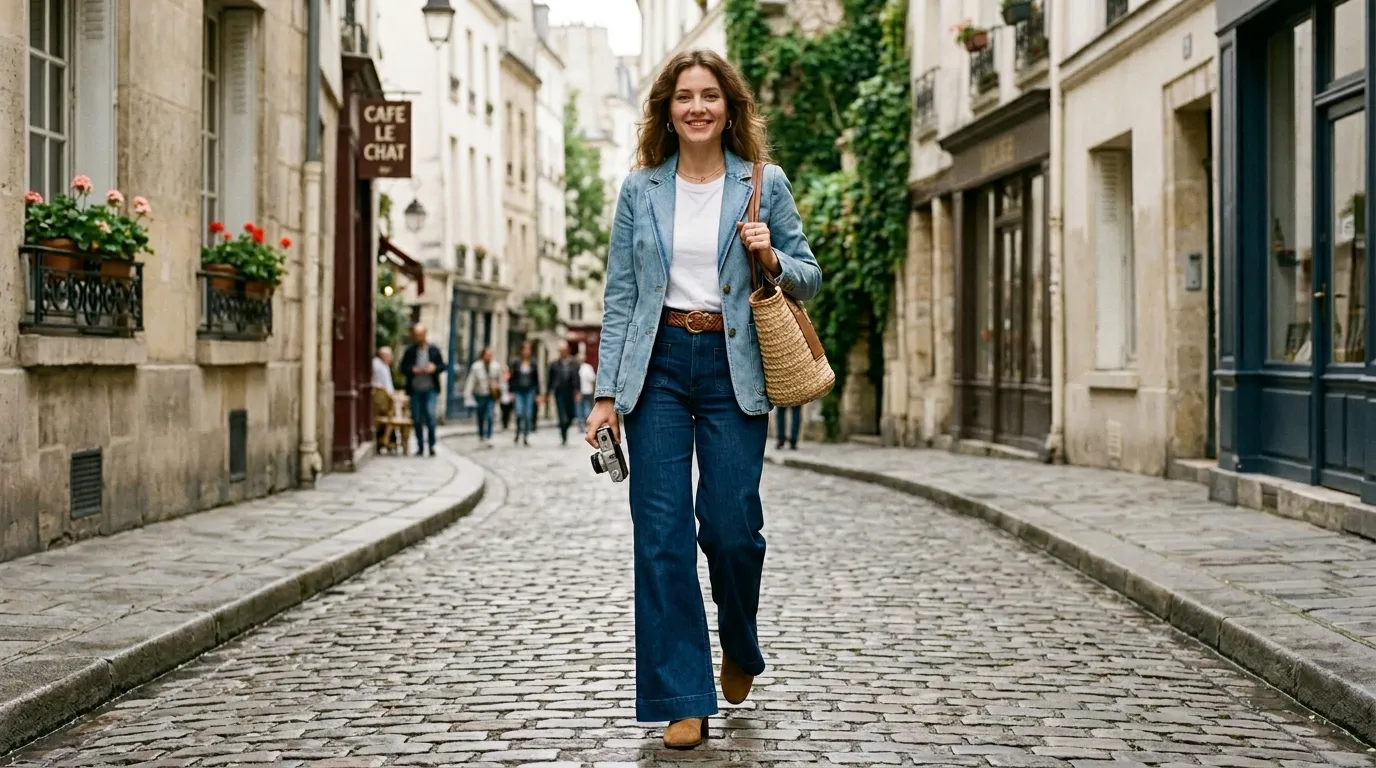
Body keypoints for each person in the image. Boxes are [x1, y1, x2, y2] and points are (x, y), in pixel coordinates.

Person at [583, 49, 821, 749]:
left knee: (729, 529)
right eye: (683, 96)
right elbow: (622, 297)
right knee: (660, 540)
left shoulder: (762, 183)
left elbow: (807, 277)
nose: (696, 107)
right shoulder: (640, 190)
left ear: (729, 107)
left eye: (709, 95)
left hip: (732, 363)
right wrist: (605, 396)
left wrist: (771, 255)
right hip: (655, 368)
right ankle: (684, 697)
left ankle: (740, 644)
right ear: (666, 108)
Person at [399, 324, 444, 457]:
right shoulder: (410, 351)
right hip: (415, 389)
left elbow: (442, 366)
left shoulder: (434, 350)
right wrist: (412, 370)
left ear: (425, 334)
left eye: (420, 335)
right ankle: (420, 446)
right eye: (416, 335)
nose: (418, 338)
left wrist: (434, 368)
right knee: (417, 418)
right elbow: (402, 368)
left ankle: (431, 445)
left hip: (430, 388)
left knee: (430, 415)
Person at [463, 347, 503, 447]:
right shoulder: (476, 367)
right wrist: (467, 394)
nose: (489, 357)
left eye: (490, 355)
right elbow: (471, 381)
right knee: (480, 415)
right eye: (487, 355)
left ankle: (489, 436)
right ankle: (481, 436)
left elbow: (500, 380)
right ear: (483, 355)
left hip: (491, 395)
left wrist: (500, 390)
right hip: (480, 394)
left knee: (490, 415)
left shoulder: (496, 366)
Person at [547, 342, 581, 446]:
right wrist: (549, 393)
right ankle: (563, 435)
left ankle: (565, 428)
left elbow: (577, 378)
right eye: (561, 351)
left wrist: (578, 391)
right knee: (562, 416)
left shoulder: (574, 364)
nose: (563, 353)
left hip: (570, 391)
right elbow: (550, 380)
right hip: (559, 392)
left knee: (571, 415)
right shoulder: (554, 364)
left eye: (564, 350)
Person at [508, 342, 541, 446]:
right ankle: (518, 431)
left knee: (528, 414)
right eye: (525, 349)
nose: (526, 352)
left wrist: (538, 393)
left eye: (528, 349)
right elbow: (512, 378)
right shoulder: (516, 362)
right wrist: (511, 391)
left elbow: (536, 379)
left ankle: (525, 435)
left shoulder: (533, 363)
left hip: (529, 390)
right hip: (519, 390)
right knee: (519, 412)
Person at [372, 347, 397, 446]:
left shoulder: (383, 366)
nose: (391, 358)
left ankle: (391, 439)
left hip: (385, 399)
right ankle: (389, 440)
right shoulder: (379, 366)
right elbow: (385, 386)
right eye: (390, 356)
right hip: (382, 401)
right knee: (393, 413)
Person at [577, 353, 596, 423]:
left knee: (583, 407)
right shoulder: (587, 367)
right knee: (584, 407)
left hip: (586, 391)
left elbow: (592, 379)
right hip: (584, 391)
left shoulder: (586, 367)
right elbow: (593, 378)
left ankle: (584, 421)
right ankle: (585, 421)